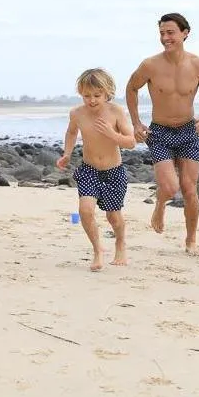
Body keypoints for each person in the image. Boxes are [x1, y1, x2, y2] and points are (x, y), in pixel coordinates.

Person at [126, 13, 199, 253]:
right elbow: (132, 88)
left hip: (189, 132)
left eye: (170, 33)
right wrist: (136, 123)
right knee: (169, 188)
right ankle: (160, 204)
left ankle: (190, 240)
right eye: (161, 33)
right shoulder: (150, 65)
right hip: (159, 133)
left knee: (190, 190)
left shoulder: (198, 64)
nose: (165, 38)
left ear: (185, 33)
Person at [56, 68, 136, 271]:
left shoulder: (116, 112)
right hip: (89, 169)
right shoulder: (77, 113)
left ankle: (120, 243)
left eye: (97, 96)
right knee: (85, 210)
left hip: (113, 172)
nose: (91, 100)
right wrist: (67, 153)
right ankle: (97, 249)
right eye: (86, 96)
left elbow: (131, 142)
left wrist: (112, 134)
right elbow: (72, 132)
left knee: (113, 217)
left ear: (107, 92)